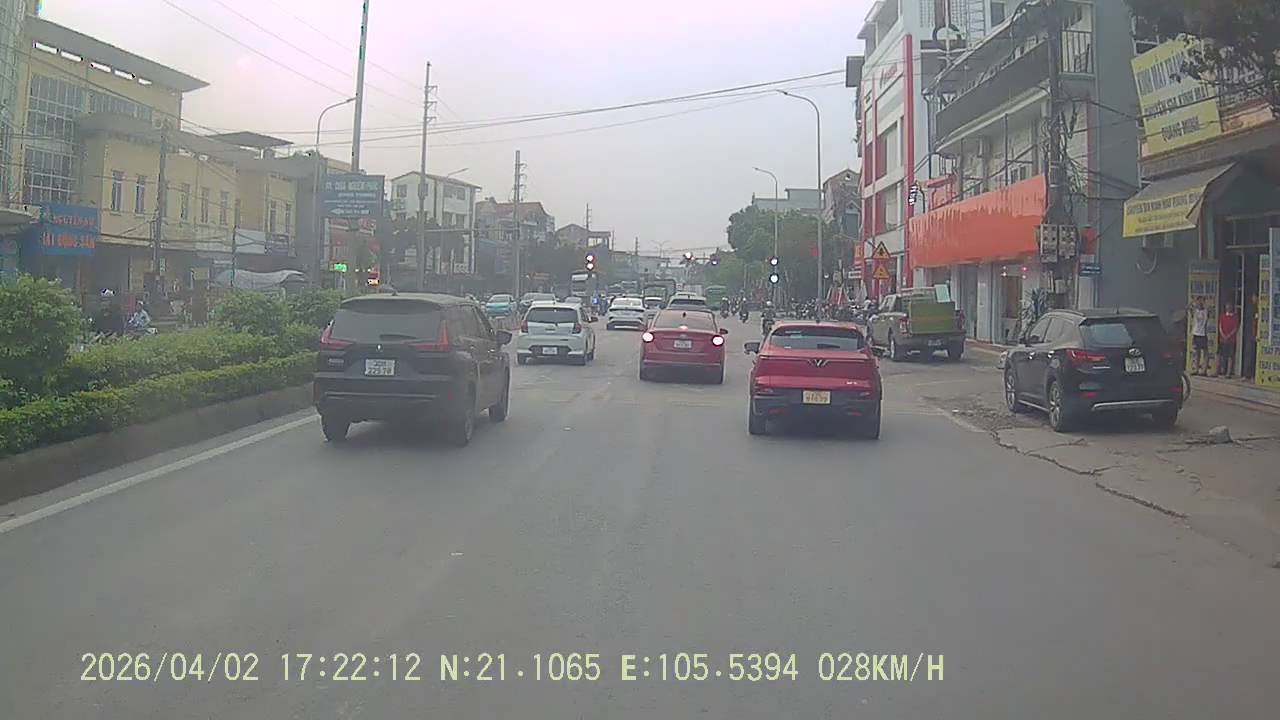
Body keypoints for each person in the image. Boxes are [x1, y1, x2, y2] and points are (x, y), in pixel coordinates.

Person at [1217, 301, 1239, 378]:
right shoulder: (1222, 316)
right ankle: (1220, 370)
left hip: (1231, 339)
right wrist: (1223, 335)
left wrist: (1228, 336)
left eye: (1230, 306)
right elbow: (1220, 326)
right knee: (1221, 355)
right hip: (1222, 339)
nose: (1228, 307)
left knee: (1230, 356)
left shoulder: (1235, 317)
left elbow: (1235, 328)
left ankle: (1228, 372)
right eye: (1227, 306)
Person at [1189, 297, 1209, 375]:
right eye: (1198, 302)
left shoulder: (1205, 311)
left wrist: (1203, 303)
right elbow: (1189, 308)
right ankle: (1196, 369)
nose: (1199, 303)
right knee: (1197, 352)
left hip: (1202, 333)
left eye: (1200, 302)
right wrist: (1192, 302)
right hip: (1195, 333)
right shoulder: (1195, 311)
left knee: (1205, 352)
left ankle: (1204, 370)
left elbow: (1206, 318)